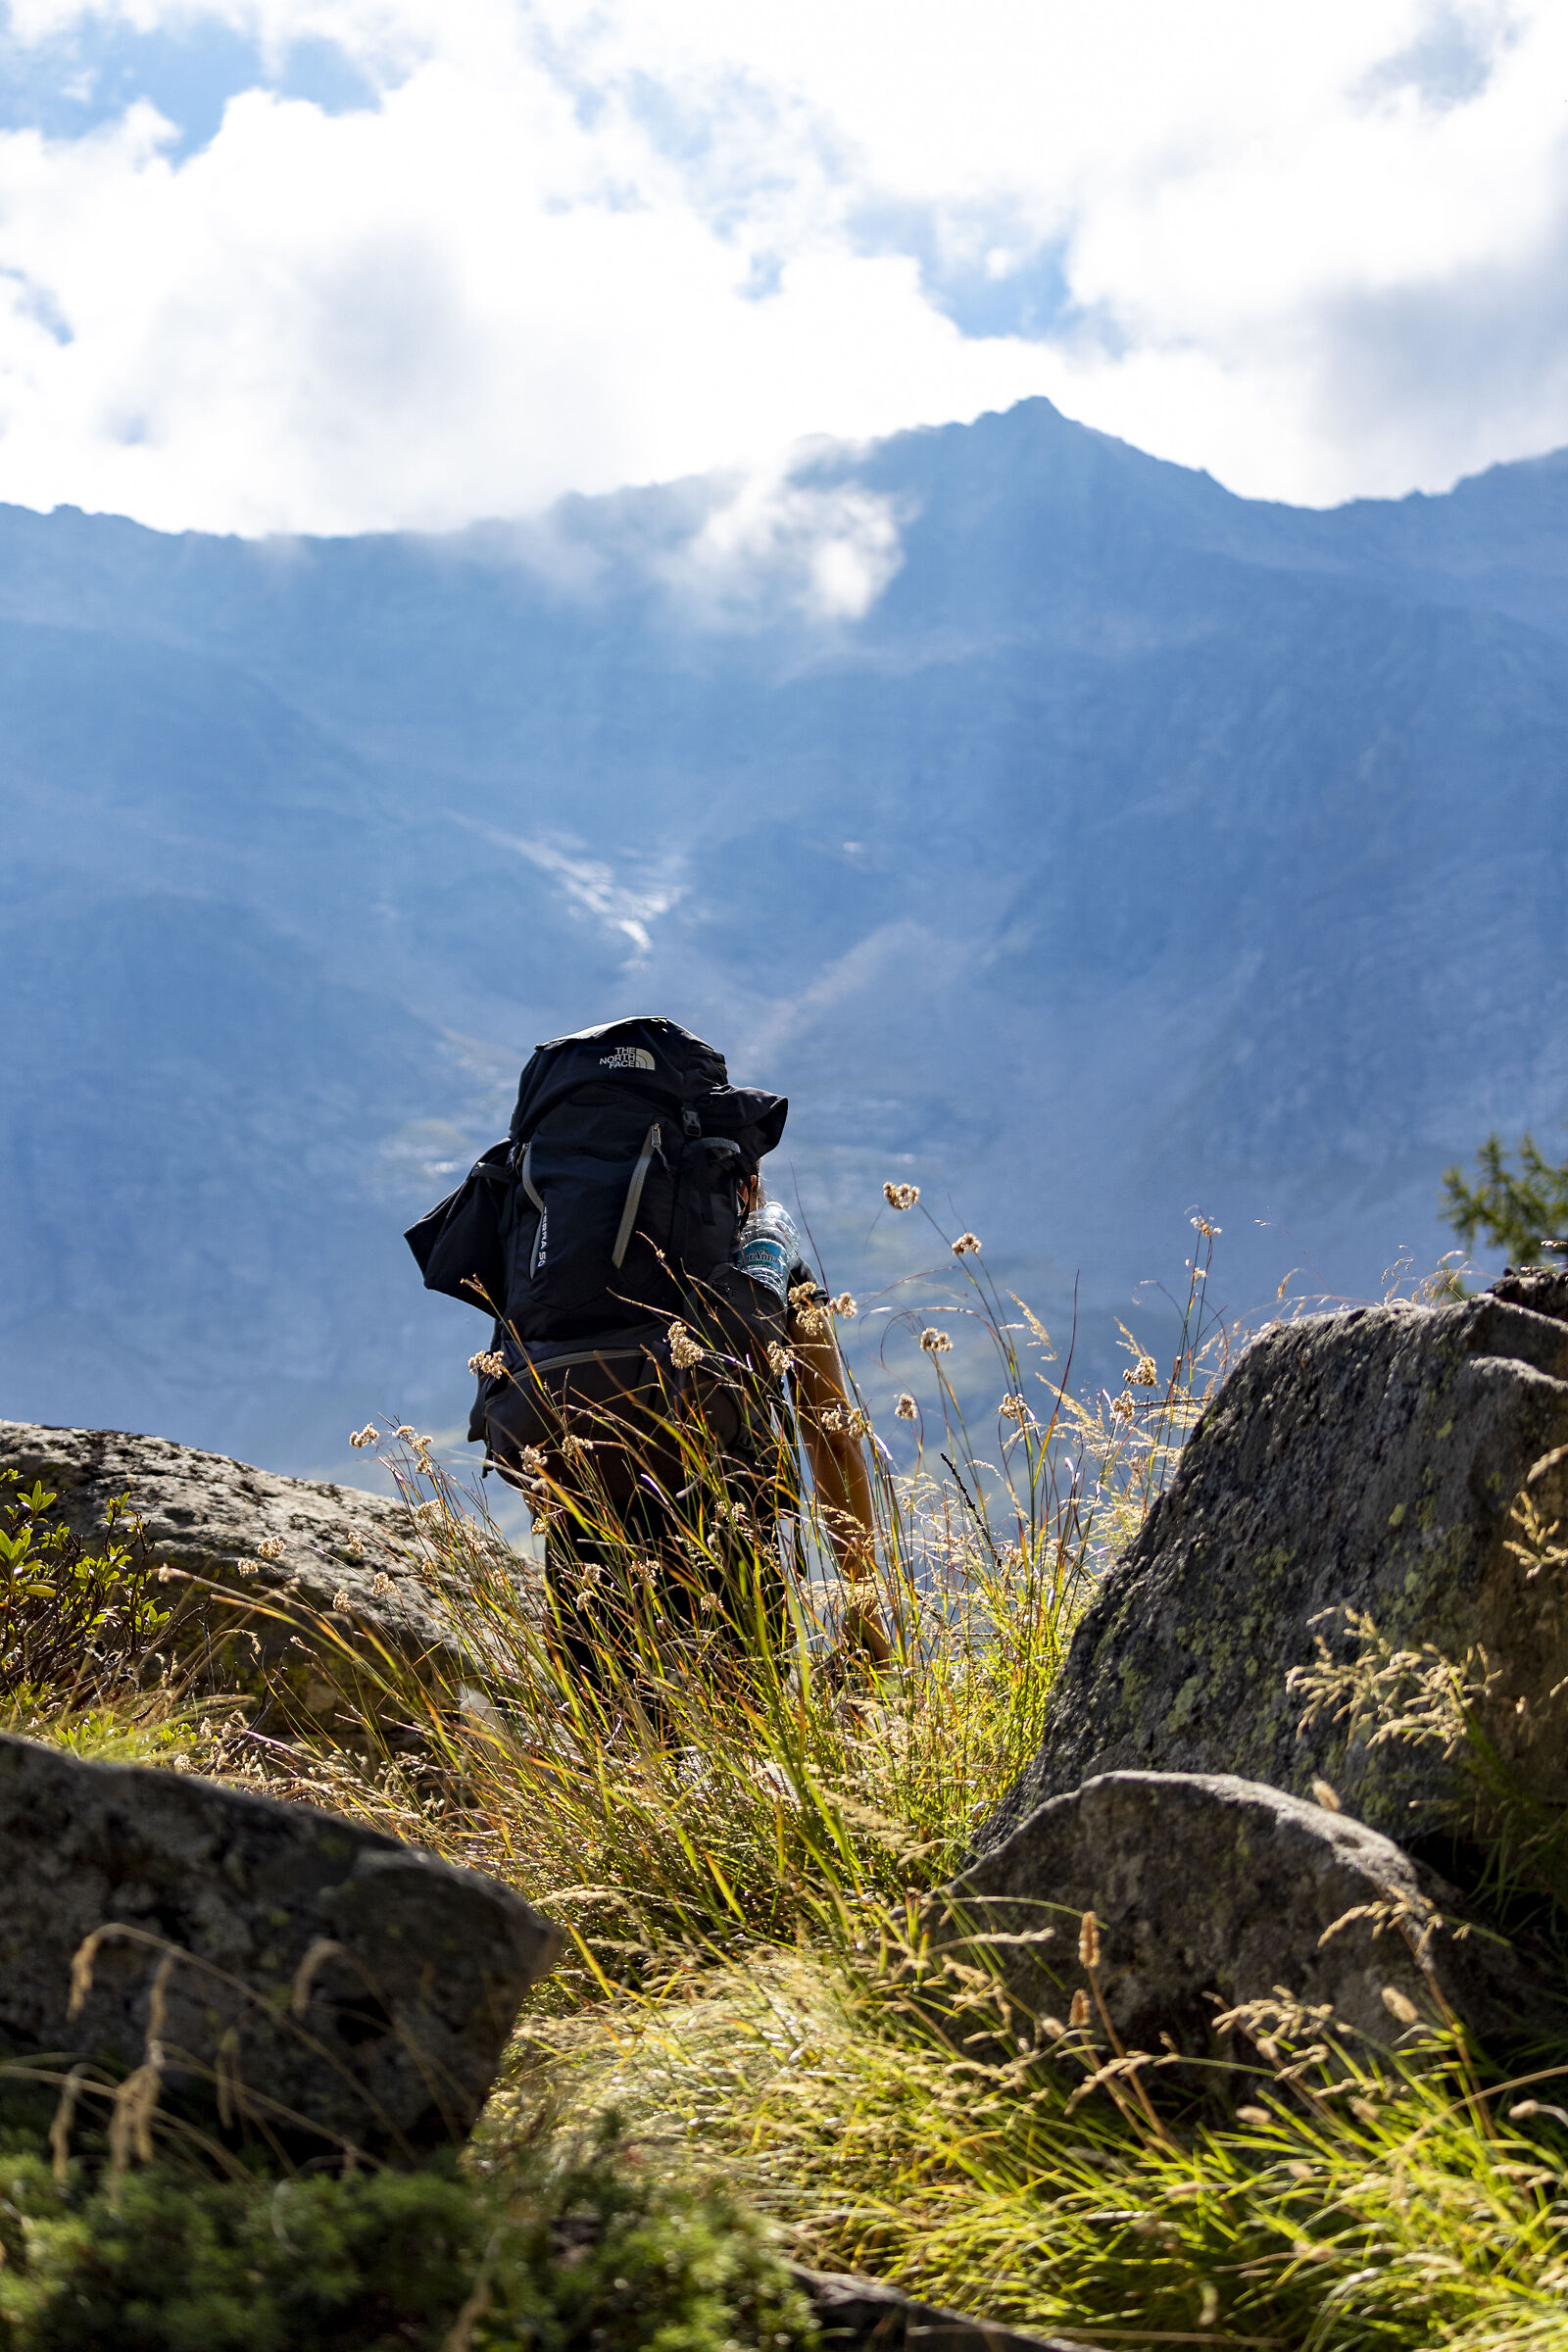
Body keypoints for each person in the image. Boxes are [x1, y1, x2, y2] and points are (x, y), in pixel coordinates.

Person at [406, 1014, 889, 1688]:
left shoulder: (548, 1267)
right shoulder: (765, 1263)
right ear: (728, 1165)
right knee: (747, 1757)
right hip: (729, 1542)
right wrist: (866, 1619)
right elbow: (832, 1434)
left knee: (619, 1764)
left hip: (587, 1562)